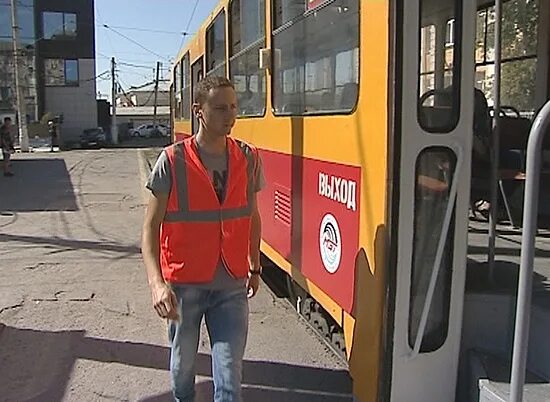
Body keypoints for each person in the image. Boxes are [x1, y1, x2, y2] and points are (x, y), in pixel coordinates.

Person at [142, 75, 265, 402]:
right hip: (184, 286)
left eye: (234, 107)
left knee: (229, 376)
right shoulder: (171, 160)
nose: (230, 115)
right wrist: (156, 283)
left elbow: (251, 216)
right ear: (199, 110)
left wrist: (255, 266)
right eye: (220, 108)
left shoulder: (248, 157)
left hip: (231, 286)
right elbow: (149, 229)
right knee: (183, 371)